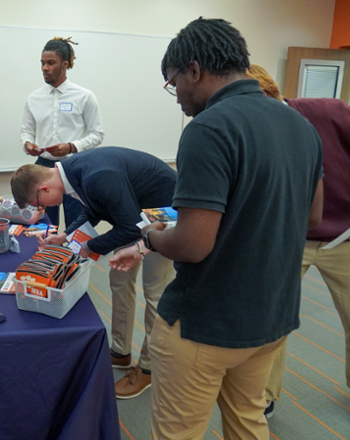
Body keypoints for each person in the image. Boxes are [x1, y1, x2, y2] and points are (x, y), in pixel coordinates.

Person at [109, 18, 323, 439]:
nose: (176, 98)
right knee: (248, 423)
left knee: (178, 433)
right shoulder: (300, 124)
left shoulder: (208, 128)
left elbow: (192, 244)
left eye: (173, 84)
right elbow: (311, 218)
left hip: (206, 323)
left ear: (194, 70)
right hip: (270, 317)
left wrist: (150, 238)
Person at [11, 146, 176, 399]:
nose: (41, 210)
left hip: (163, 214)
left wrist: (88, 246)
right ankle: (121, 352)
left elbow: (130, 229)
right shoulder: (71, 172)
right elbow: (93, 208)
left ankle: (148, 369)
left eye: (37, 205)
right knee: (119, 278)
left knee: (155, 293)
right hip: (133, 215)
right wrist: (66, 235)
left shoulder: (96, 174)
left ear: (44, 189)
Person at [247, 63, 350, 418]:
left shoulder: (330, 112)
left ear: (269, 95)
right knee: (270, 318)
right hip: (287, 239)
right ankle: (264, 396)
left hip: (345, 236)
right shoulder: (248, 131)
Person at [20, 37, 104, 228]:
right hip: (43, 168)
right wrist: (28, 144)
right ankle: (46, 258)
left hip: (75, 167)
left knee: (77, 225)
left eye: (51, 63)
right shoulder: (34, 98)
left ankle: (75, 258)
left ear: (65, 65)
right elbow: (26, 130)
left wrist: (72, 146)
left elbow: (97, 134)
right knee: (44, 225)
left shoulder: (84, 96)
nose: (44, 68)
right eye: (42, 63)